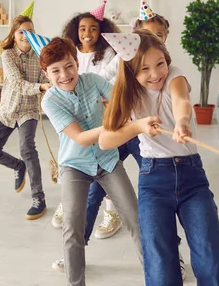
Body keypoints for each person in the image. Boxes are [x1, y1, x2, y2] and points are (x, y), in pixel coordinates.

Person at [99, 30, 219, 286]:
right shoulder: (127, 92)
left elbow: (181, 100)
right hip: (153, 180)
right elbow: (105, 140)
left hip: (192, 177)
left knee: (211, 259)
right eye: (144, 68)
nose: (155, 73)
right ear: (131, 72)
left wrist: (182, 122)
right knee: (160, 265)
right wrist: (139, 127)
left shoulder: (175, 75)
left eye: (160, 63)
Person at [39, 37, 142, 286]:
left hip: (107, 160)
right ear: (47, 74)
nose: (64, 75)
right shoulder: (50, 101)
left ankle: (158, 274)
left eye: (69, 66)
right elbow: (81, 138)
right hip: (74, 164)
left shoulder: (93, 81)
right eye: (55, 71)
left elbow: (121, 102)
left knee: (135, 219)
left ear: (76, 62)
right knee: (72, 226)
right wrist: (112, 123)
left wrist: (121, 111)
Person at [52, 0, 124, 241]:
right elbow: (63, 80)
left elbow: (108, 83)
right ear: (76, 31)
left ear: (101, 31)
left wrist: (106, 99)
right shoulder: (69, 53)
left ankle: (111, 212)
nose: (87, 33)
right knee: (75, 163)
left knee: (107, 167)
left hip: (101, 117)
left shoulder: (108, 54)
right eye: (83, 28)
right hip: (73, 116)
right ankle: (69, 202)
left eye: (93, 28)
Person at [0, 4, 51, 220]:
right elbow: (16, 83)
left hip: (28, 111)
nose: (26, 35)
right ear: (13, 35)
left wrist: (47, 82)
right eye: (22, 31)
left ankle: (38, 198)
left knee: (27, 148)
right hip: (7, 110)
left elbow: (44, 78)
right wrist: (40, 87)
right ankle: (18, 166)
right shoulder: (7, 55)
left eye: (30, 31)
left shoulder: (40, 56)